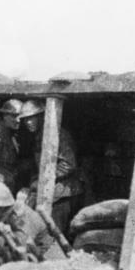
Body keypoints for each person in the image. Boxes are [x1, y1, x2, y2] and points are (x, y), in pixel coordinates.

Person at [18, 100, 85, 233]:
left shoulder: (59, 134)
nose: (28, 123)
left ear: (42, 116)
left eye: (31, 118)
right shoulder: (39, 136)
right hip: (52, 191)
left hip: (64, 193)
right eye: (25, 120)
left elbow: (68, 164)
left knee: (54, 233)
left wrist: (42, 180)